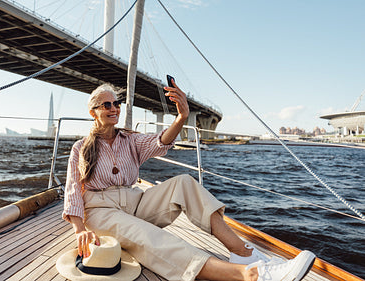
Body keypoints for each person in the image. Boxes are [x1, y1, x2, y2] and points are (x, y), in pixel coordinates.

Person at [62, 82, 315, 281]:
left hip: (134, 203)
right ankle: (250, 275)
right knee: (147, 234)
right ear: (93, 111)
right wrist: (79, 230)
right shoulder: (80, 148)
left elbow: (160, 141)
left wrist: (181, 117)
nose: (114, 108)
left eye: (116, 103)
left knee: (184, 182)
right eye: (106, 105)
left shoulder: (130, 140)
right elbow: (74, 191)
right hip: (101, 211)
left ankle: (242, 253)